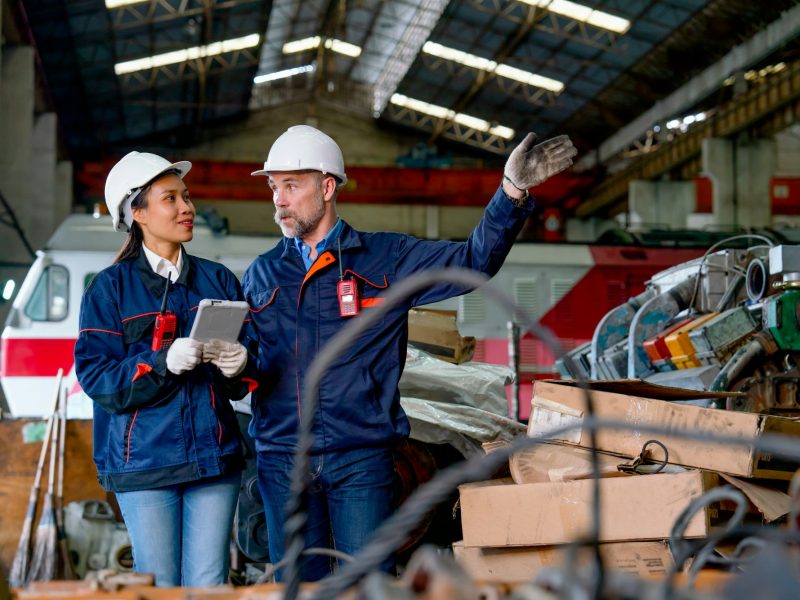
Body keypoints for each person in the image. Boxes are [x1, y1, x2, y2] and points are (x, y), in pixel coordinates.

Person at [242, 125, 576, 580]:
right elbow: (253, 365)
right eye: (273, 186)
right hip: (284, 460)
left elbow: (471, 262)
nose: (278, 199)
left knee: (371, 584)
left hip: (360, 456)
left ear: (326, 187)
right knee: (297, 586)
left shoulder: (385, 258)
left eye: (291, 185)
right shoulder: (261, 274)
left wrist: (510, 192)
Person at [74, 151, 257, 587]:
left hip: (214, 459)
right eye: (170, 199)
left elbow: (243, 378)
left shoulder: (218, 280)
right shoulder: (110, 288)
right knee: (158, 585)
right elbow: (97, 377)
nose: (186, 208)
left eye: (186, 196)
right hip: (144, 465)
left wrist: (240, 364)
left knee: (209, 583)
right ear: (137, 212)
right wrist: (161, 362)